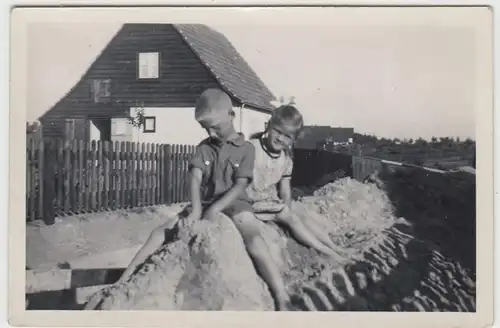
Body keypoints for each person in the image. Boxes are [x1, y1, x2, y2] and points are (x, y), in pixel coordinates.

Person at [108, 88, 292, 311]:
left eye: (215, 127)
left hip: (236, 203)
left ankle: (281, 294)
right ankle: (123, 280)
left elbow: (240, 184)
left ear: (231, 116)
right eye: (206, 129)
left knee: (254, 240)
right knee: (160, 232)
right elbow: (194, 178)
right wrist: (196, 208)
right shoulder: (204, 148)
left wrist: (217, 208)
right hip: (204, 202)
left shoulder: (245, 149)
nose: (212, 133)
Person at [247, 105, 348, 261]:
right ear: (269, 126)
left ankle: (332, 246)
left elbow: (285, 189)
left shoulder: (286, 158)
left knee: (301, 216)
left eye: (287, 136)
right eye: (277, 131)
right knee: (291, 218)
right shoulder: (252, 148)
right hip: (251, 202)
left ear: (293, 140)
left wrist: (287, 206)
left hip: (269, 202)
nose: (280, 138)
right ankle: (324, 251)